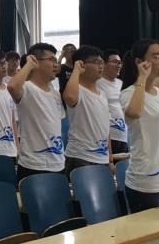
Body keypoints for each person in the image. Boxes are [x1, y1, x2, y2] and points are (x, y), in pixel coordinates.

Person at [119, 39, 159, 213]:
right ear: (139, 62)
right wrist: (142, 77)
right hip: (145, 181)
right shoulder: (128, 93)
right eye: (156, 57)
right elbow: (134, 113)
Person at [7, 43, 65, 181]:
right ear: (36, 62)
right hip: (33, 165)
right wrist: (29, 65)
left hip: (58, 163)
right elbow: (12, 87)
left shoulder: (56, 94)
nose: (55, 65)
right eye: (51, 60)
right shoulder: (27, 88)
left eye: (56, 60)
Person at [63, 46, 113, 174]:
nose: (101, 66)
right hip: (80, 156)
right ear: (82, 65)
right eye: (96, 62)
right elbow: (69, 97)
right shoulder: (77, 90)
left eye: (101, 62)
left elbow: (106, 129)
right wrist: (76, 70)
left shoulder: (102, 94)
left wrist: (110, 159)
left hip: (102, 157)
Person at [97, 48, 128, 154]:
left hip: (123, 136)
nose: (119, 65)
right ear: (104, 64)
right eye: (115, 62)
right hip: (107, 136)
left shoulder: (121, 83)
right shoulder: (96, 82)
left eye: (120, 63)